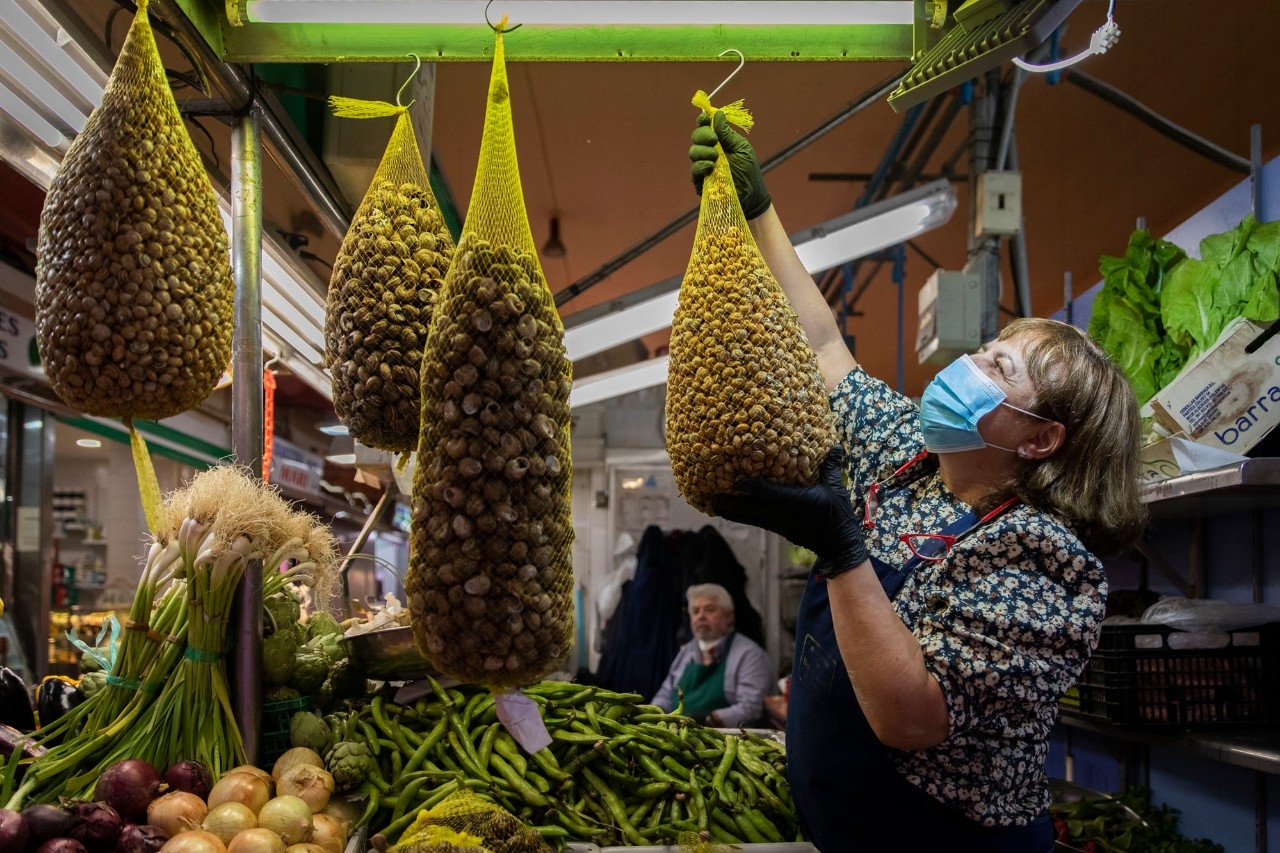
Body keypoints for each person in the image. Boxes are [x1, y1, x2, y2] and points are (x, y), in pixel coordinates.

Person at [686, 111, 1146, 852]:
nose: (970, 364)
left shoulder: (1044, 565)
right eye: (989, 347)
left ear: (1040, 437)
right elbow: (825, 345)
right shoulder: (910, 459)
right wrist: (756, 212)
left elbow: (912, 717)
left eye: (998, 367)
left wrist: (841, 549)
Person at [651, 582, 775, 727]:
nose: (701, 616)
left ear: (729, 617)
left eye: (709, 610)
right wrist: (653, 715)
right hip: (677, 735)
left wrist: (709, 719)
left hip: (726, 740)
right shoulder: (687, 651)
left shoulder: (749, 654)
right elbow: (664, 696)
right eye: (695, 611)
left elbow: (751, 708)